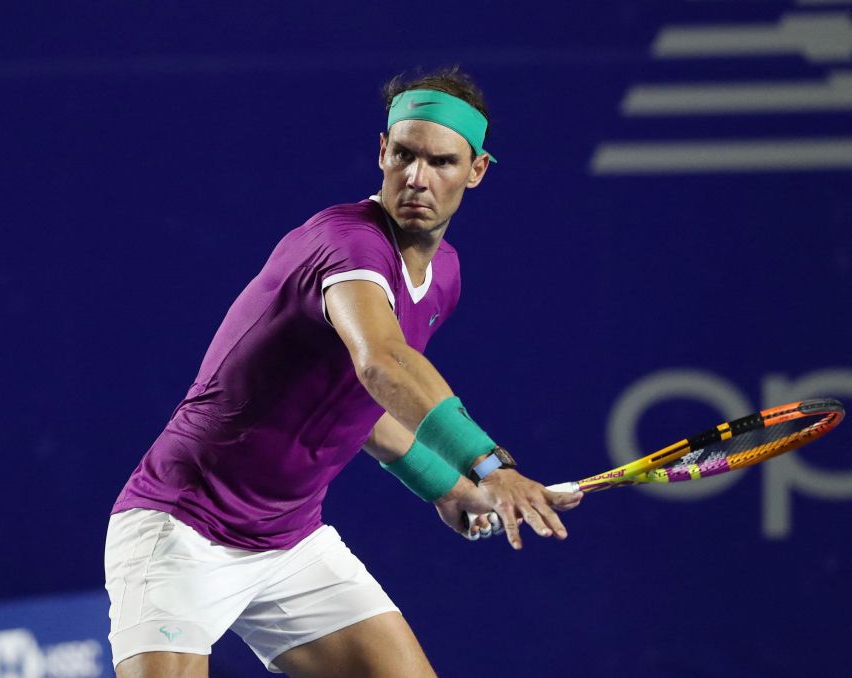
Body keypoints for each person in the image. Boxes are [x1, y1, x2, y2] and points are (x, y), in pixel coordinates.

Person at [104, 67, 583, 678]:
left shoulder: (445, 275)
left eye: (442, 162)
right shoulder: (347, 244)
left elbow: (364, 406)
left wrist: (446, 486)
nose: (417, 178)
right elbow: (382, 363)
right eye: (404, 155)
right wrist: (490, 467)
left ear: (477, 170)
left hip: (289, 540)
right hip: (182, 526)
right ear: (382, 152)